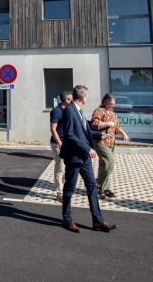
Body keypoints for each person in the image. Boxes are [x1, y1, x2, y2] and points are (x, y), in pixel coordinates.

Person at [59, 85, 117, 233]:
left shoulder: (78, 110)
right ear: (83, 96)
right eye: (87, 95)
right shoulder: (69, 112)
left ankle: (98, 221)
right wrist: (88, 148)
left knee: (92, 187)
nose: (88, 97)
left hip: (84, 158)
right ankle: (67, 219)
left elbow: (85, 130)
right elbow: (71, 135)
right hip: (74, 157)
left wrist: (98, 135)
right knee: (69, 189)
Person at [90, 94, 131, 199]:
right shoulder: (99, 110)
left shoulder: (113, 113)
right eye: (110, 104)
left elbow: (117, 127)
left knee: (104, 164)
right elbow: (94, 124)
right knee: (109, 162)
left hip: (111, 142)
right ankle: (98, 185)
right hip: (100, 141)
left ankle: (104, 188)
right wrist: (108, 123)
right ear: (105, 102)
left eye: (113, 104)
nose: (111, 106)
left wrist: (124, 134)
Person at [49, 91, 72, 203]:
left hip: (67, 143)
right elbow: (53, 130)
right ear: (66, 100)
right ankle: (59, 193)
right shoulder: (56, 111)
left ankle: (64, 187)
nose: (73, 101)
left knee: (66, 167)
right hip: (58, 143)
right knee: (60, 167)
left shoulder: (68, 110)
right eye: (71, 99)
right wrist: (60, 143)